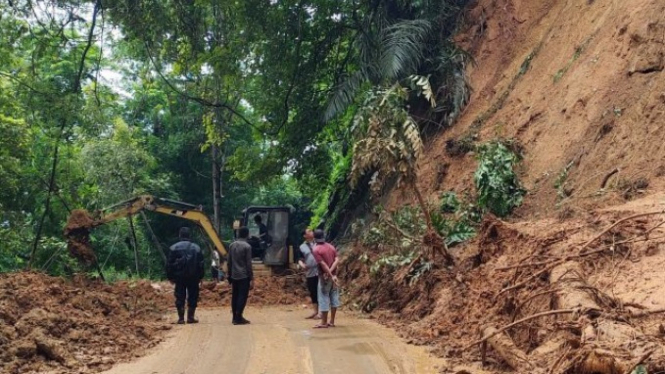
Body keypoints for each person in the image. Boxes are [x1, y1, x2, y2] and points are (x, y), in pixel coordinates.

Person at [166, 227, 204, 324]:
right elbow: (201, 264)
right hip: (193, 277)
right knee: (193, 296)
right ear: (189, 236)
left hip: (179, 277)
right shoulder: (196, 248)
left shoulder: (173, 248)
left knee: (179, 296)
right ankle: (190, 317)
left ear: (180, 235)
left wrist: (170, 277)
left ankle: (181, 318)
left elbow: (169, 264)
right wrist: (200, 276)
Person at [312, 229, 340, 329]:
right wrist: (332, 274)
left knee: (323, 297)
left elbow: (323, 264)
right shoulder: (331, 247)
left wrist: (328, 274)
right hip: (334, 276)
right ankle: (331, 321)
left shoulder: (316, 249)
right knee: (334, 296)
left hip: (325, 277)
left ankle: (324, 322)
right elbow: (337, 260)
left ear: (314, 238)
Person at [228, 226, 254, 325]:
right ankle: (239, 317)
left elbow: (229, 262)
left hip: (234, 275)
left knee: (234, 296)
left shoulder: (232, 245)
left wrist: (229, 274)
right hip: (243, 276)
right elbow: (248, 264)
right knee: (242, 296)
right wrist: (251, 277)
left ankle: (234, 317)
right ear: (247, 234)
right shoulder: (247, 247)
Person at [298, 228, 319, 319]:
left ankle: (322, 312)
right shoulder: (302, 247)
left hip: (320, 271)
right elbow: (299, 259)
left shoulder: (318, 243)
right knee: (313, 291)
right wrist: (303, 265)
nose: (312, 232)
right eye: (309, 231)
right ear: (305, 236)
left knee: (321, 291)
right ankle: (315, 311)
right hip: (310, 272)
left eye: (312, 231)